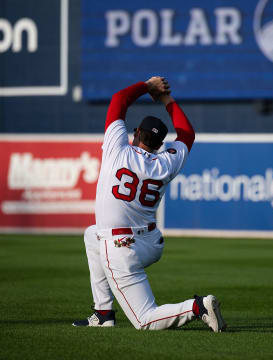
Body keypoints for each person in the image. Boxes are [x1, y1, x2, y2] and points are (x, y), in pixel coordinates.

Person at [72, 77, 226, 332]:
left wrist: (149, 86)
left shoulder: (117, 150)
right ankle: (103, 313)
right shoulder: (166, 163)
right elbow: (187, 133)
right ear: (160, 144)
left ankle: (197, 307)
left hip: (121, 247)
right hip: (150, 243)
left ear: (135, 134)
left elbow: (119, 101)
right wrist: (167, 100)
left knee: (144, 319)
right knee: (91, 235)